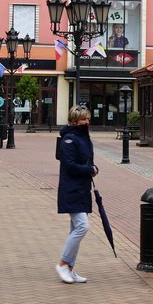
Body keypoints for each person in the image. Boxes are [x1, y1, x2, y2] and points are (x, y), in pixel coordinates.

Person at [55, 106, 98, 283]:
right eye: (83, 119)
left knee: (75, 228)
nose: (87, 122)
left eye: (88, 119)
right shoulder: (70, 139)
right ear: (74, 121)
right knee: (82, 227)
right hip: (71, 189)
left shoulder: (84, 138)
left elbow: (87, 161)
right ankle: (63, 263)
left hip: (82, 188)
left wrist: (92, 168)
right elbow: (70, 165)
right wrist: (89, 169)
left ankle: (70, 268)